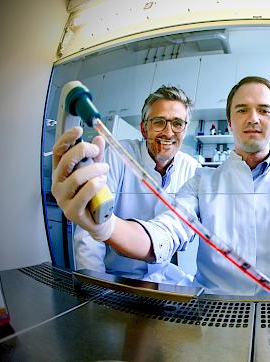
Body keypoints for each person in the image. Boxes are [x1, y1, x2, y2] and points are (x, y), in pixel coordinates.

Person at [52, 76, 270, 339]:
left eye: (264, 110)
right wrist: (106, 228)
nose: (253, 118)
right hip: (214, 317)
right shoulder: (202, 181)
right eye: (242, 109)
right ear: (229, 122)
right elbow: (163, 233)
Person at [73, 85, 200, 284]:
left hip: (164, 278)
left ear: (185, 129)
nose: (168, 133)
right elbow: (89, 232)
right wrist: (95, 286)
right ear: (143, 128)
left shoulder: (192, 169)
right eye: (159, 122)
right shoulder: (117, 156)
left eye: (177, 123)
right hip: (113, 276)